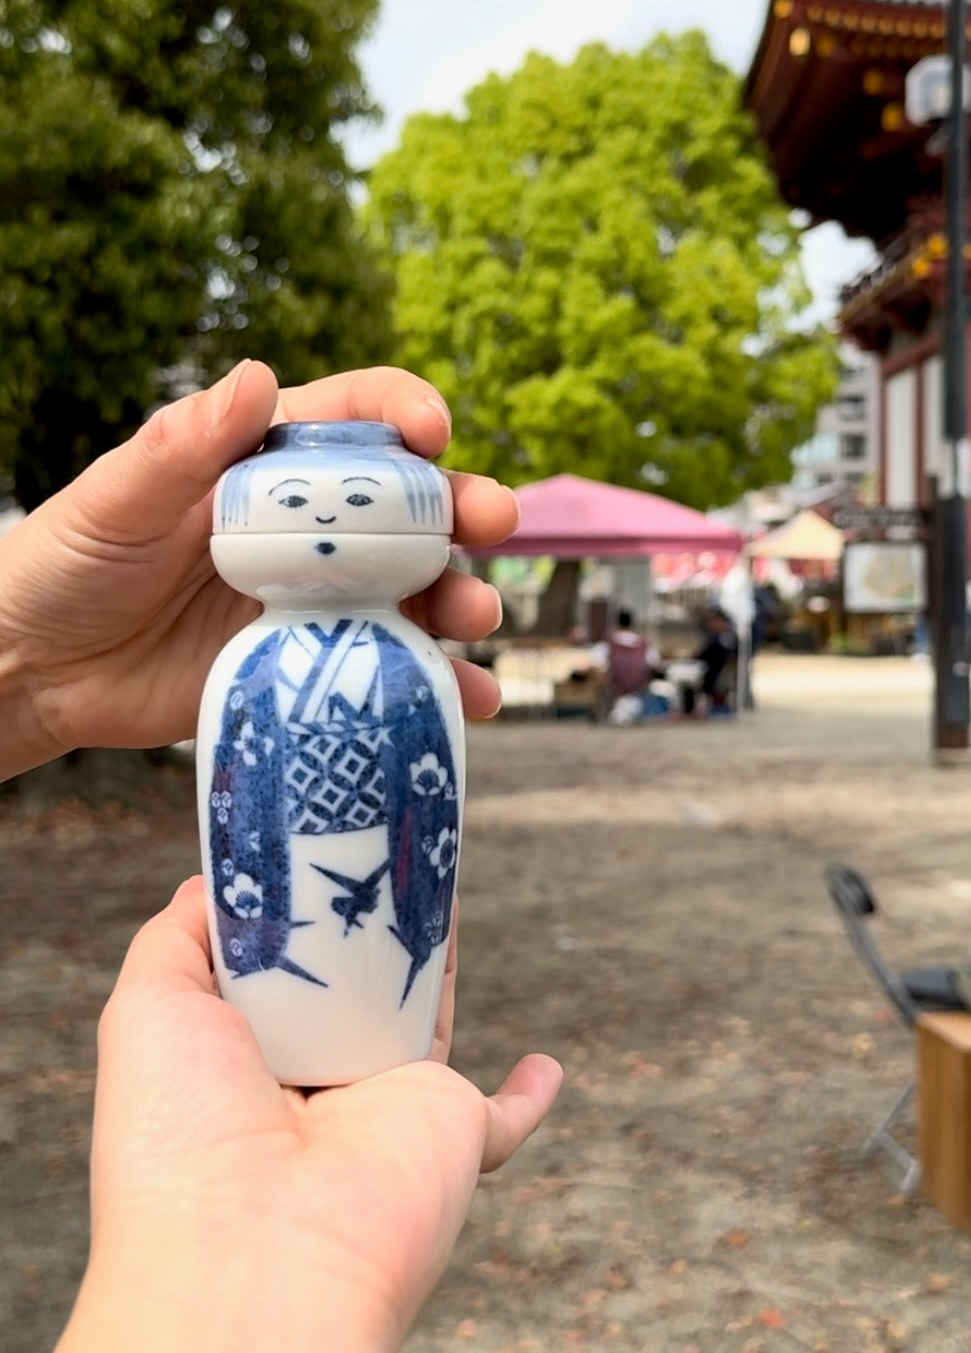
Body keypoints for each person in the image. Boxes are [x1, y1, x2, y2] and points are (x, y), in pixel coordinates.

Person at [0, 361, 562, 1352]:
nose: (331, 521)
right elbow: (233, 805)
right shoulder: (250, 666)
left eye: (356, 507)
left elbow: (427, 803)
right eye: (298, 505)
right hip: (287, 889)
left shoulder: (407, 666)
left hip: (377, 889)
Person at [588, 606, 663, 720]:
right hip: (639, 687)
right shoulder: (643, 644)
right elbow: (655, 663)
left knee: (597, 678)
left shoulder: (608, 643)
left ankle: (601, 713)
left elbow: (596, 663)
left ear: (617, 623)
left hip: (614, 687)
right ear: (631, 623)